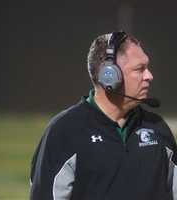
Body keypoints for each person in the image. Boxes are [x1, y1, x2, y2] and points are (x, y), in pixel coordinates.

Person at [30, 31, 177, 200]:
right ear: (110, 77)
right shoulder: (65, 131)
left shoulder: (158, 129)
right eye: (140, 69)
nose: (149, 76)